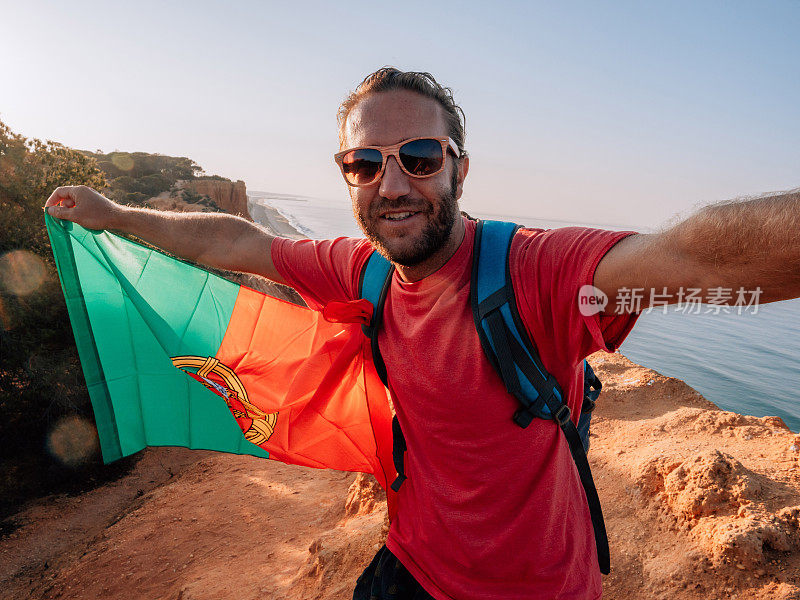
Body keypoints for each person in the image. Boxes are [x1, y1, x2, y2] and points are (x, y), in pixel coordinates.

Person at [45, 68, 799, 600]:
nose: (393, 183)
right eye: (364, 164)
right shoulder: (360, 269)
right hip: (410, 564)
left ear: (458, 169)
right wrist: (116, 216)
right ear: (346, 176)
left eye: (418, 157)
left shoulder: (532, 271)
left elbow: (697, 253)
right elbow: (234, 243)